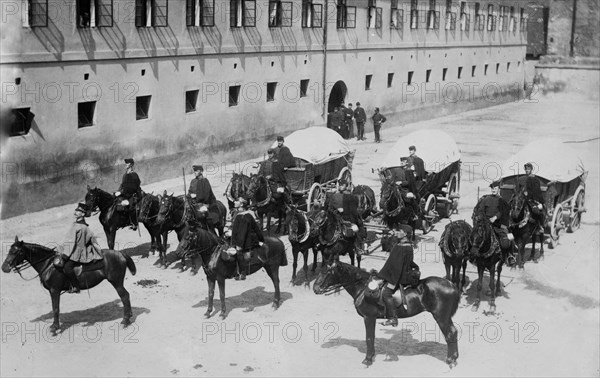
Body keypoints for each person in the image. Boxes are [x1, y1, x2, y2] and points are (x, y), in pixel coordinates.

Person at [377, 229, 419, 326]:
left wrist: (388, 278)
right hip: (401, 273)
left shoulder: (402, 247)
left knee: (386, 293)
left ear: (405, 233)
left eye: (399, 231)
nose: (396, 233)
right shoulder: (407, 245)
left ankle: (392, 318)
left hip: (398, 276)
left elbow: (397, 266)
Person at [60, 203, 104, 293]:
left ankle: (76, 286)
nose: (75, 212)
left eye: (79, 211)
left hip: (76, 252)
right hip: (73, 250)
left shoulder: (81, 227)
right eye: (76, 210)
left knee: (67, 267)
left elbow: (72, 243)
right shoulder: (78, 225)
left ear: (83, 214)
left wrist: (65, 255)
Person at [324, 179, 366, 255]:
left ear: (346, 186)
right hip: (336, 218)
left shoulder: (351, 196)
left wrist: (344, 210)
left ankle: (358, 247)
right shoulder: (334, 196)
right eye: (339, 185)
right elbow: (330, 208)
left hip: (348, 218)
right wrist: (336, 211)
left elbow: (354, 210)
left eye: (342, 185)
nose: (340, 187)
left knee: (356, 228)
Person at [230, 198, 264, 280]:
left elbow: (242, 232)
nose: (235, 202)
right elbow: (256, 229)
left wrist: (239, 245)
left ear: (242, 205)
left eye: (237, 202)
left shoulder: (243, 217)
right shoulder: (246, 215)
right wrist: (261, 239)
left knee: (239, 255)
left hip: (245, 242)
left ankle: (241, 272)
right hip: (242, 239)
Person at [472, 184, 512, 253]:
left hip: (498, 224)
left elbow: (503, 211)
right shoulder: (485, 199)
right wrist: (482, 217)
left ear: (499, 190)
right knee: (475, 235)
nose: (494, 190)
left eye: (495, 189)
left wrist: (495, 217)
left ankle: (510, 253)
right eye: (492, 189)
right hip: (486, 223)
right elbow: (481, 210)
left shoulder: (502, 201)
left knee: (509, 235)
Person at [517, 162, 546, 233]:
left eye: (529, 169)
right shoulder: (521, 179)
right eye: (526, 169)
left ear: (531, 169)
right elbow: (517, 189)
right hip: (522, 199)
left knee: (537, 211)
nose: (527, 170)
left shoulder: (535, 179)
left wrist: (529, 194)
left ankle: (539, 226)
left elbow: (537, 191)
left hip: (531, 199)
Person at [115, 158, 142, 230]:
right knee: (116, 203)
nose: (125, 165)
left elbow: (132, 187)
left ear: (130, 165)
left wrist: (121, 192)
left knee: (130, 208)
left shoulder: (134, 174)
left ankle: (134, 223)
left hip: (132, 194)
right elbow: (122, 185)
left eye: (127, 164)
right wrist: (118, 191)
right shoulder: (125, 175)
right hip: (124, 193)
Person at [188, 165, 217, 231]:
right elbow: (189, 191)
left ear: (200, 171)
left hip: (204, 203)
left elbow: (207, 193)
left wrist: (196, 196)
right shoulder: (193, 181)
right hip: (194, 203)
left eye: (196, 171)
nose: (195, 172)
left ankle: (211, 231)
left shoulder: (205, 181)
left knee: (205, 215)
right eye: (194, 171)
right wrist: (188, 195)